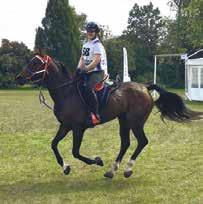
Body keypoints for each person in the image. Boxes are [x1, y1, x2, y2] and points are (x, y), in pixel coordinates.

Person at [77, 22, 108, 126]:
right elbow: (82, 58)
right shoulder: (85, 44)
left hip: (98, 72)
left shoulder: (97, 45)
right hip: (87, 71)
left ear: (96, 32)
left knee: (88, 88)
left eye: (92, 31)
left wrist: (85, 69)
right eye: (88, 31)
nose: (89, 33)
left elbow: (96, 61)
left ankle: (95, 114)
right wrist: (78, 69)